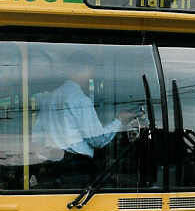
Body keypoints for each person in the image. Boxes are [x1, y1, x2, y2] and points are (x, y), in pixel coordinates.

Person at [31, 52, 135, 183]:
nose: (92, 76)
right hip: (77, 167)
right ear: (86, 69)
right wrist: (119, 120)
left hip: (54, 163)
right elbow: (97, 139)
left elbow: (38, 134)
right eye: (92, 70)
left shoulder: (49, 98)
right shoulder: (79, 99)